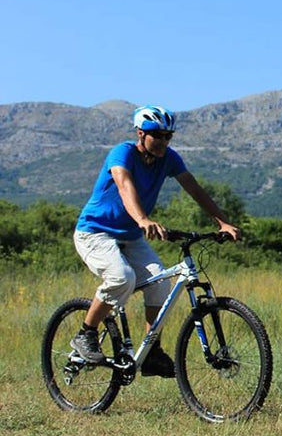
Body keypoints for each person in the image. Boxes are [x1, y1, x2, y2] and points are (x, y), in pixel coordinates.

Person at [71, 105, 241, 377]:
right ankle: (86, 333)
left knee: (160, 281)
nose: (162, 141)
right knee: (121, 278)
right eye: (156, 135)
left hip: (130, 237)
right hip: (95, 232)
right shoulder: (122, 153)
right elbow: (125, 185)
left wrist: (221, 221)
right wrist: (142, 219)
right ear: (141, 133)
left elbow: (194, 188)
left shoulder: (168, 159)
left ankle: (151, 353)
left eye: (167, 136)